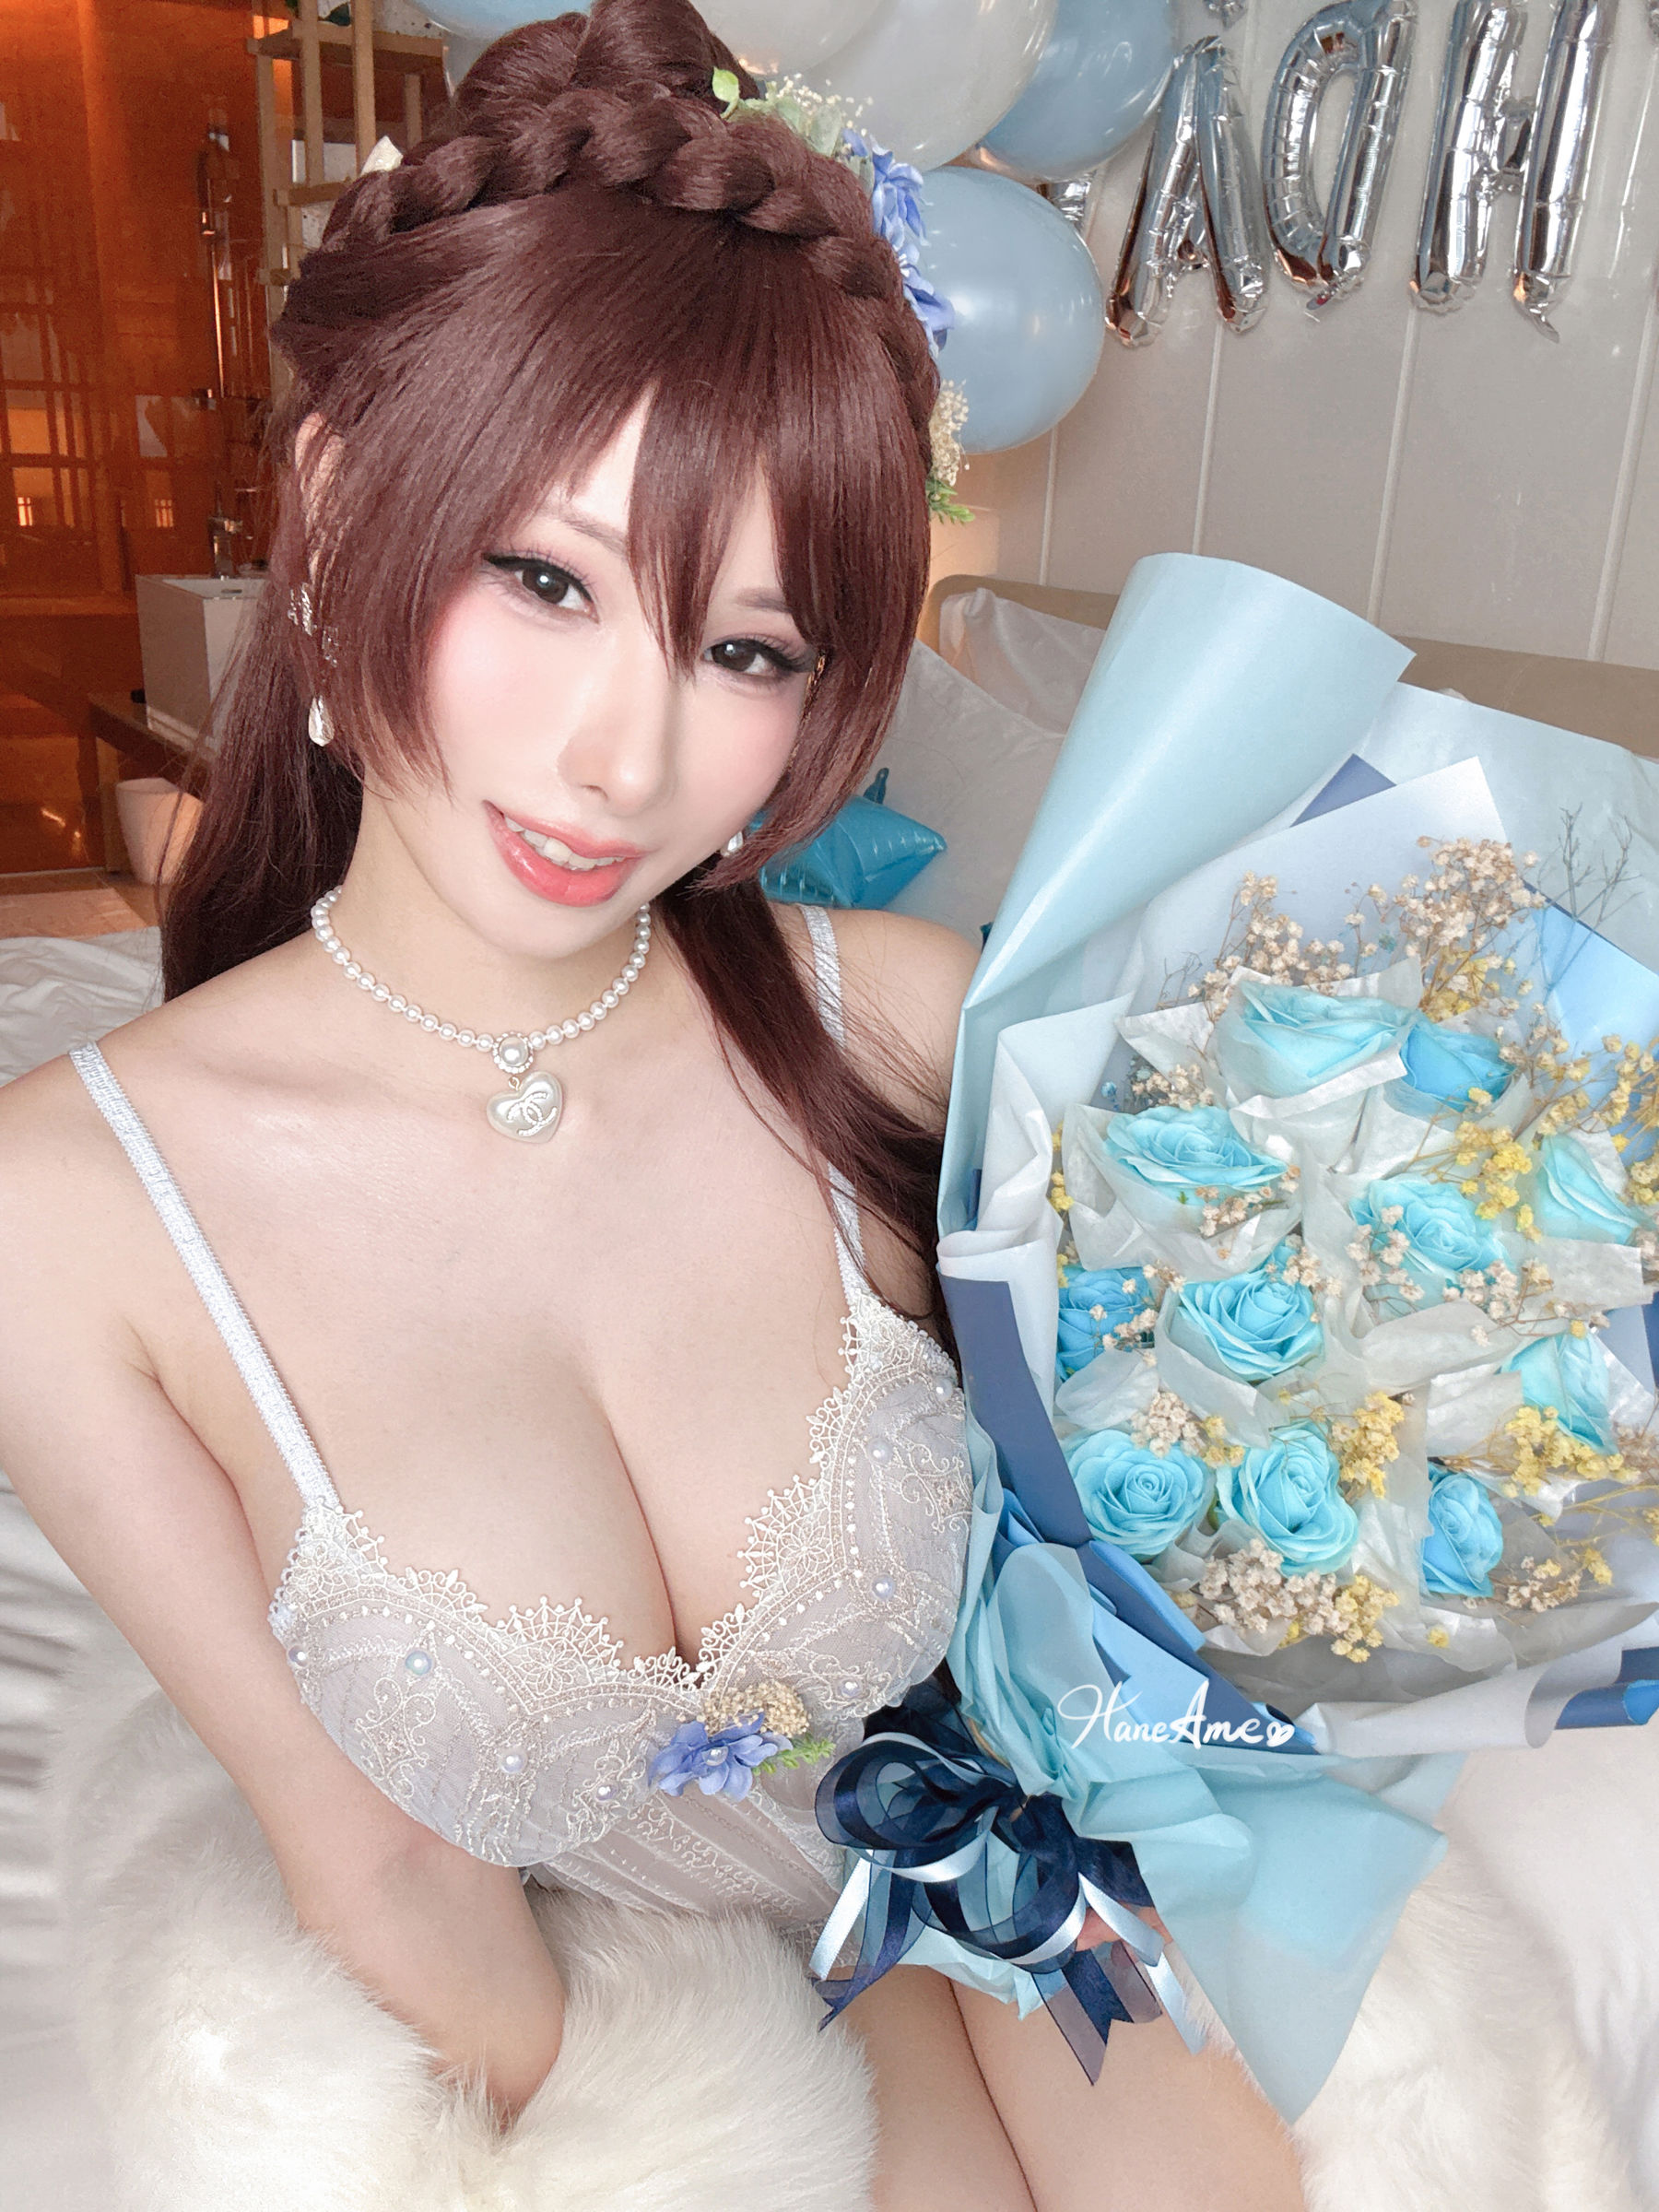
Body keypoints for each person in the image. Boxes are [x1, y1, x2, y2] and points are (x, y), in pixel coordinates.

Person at [0, 4, 1304, 2204]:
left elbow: (1174, 1536)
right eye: (546, 580)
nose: (624, 761)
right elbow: (387, 1872)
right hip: (632, 2029)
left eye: (746, 650)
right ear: (334, 509)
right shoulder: (64, 1213)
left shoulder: (905, 1026)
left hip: (1013, 1886)